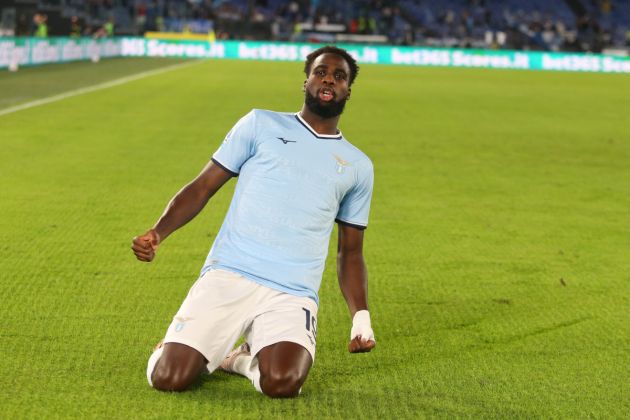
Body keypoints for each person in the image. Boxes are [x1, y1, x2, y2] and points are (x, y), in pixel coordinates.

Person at [132, 45, 376, 398]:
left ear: (347, 92)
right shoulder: (260, 123)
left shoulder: (358, 166)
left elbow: (350, 253)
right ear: (306, 80)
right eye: (321, 71)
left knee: (283, 383)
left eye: (340, 76)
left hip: (292, 292)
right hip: (229, 273)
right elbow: (203, 187)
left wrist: (361, 317)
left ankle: (239, 361)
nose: (329, 79)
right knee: (169, 378)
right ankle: (174, 347)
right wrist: (159, 231)